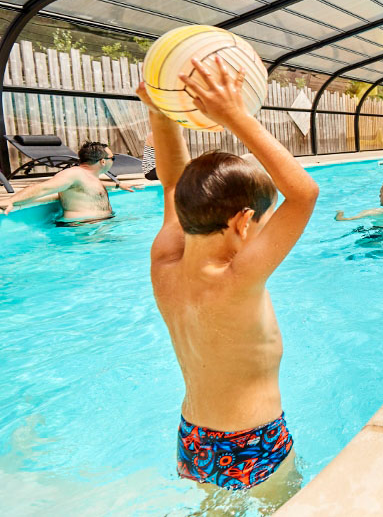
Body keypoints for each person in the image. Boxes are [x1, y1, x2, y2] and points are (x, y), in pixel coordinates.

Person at [137, 56, 319, 505]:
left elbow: (172, 182)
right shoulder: (237, 277)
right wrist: (234, 115)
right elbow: (305, 193)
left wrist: (162, 110)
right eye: (260, 224)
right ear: (243, 222)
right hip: (252, 443)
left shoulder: (165, 260)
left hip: (193, 439)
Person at [0, 141, 137, 224]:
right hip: (82, 230)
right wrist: (12, 200)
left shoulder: (88, 176)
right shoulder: (73, 174)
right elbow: (43, 188)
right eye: (112, 158)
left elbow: (89, 187)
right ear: (102, 161)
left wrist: (118, 185)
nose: (113, 162)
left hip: (95, 226)